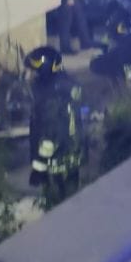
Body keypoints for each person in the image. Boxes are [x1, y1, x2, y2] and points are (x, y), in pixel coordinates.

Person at [25, 46, 84, 205]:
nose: (29, 76)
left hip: (57, 157)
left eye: (33, 71)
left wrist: (39, 168)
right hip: (72, 151)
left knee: (60, 203)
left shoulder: (50, 97)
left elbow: (49, 133)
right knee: (73, 197)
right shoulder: (65, 84)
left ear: (44, 70)